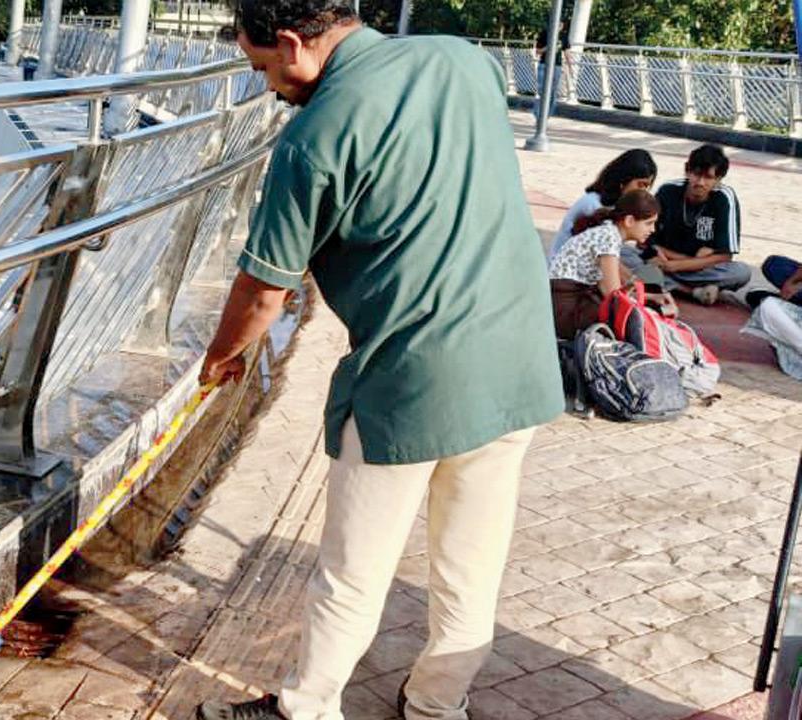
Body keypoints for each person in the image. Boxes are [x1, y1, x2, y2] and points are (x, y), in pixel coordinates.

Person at [194, 2, 563, 719]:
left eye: (264, 67)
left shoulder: (310, 139)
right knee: (470, 564)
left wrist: (220, 358)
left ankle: (306, 710)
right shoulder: (463, 60)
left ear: (295, 43)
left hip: (413, 377)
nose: (269, 87)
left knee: (352, 569)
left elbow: (264, 290)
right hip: (517, 358)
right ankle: (436, 707)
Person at [620, 144, 751, 305]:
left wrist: (676, 265)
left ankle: (664, 284)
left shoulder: (725, 198)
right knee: (622, 253)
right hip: (661, 262)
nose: (700, 182)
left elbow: (725, 255)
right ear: (687, 171)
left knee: (741, 272)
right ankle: (692, 292)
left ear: (718, 179)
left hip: (693, 269)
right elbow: (643, 240)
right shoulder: (668, 191)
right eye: (696, 174)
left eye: (708, 177)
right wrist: (670, 260)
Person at [549, 190, 661, 339]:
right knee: (631, 319)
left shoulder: (609, 232)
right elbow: (612, 293)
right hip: (565, 308)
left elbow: (616, 290)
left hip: (567, 301)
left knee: (636, 311)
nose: (652, 229)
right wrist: (649, 302)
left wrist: (650, 297)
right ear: (629, 221)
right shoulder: (609, 237)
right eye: (649, 223)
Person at [547, 149, 657, 262]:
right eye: (641, 185)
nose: (643, 192)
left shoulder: (615, 204)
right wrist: (632, 279)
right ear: (624, 180)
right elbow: (605, 256)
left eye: (647, 187)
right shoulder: (593, 205)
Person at [533, 27, 565, 121]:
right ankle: (538, 114)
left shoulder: (563, 36)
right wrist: (548, 47)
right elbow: (537, 51)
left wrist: (570, 68)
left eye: (561, 23)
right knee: (542, 90)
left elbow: (567, 52)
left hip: (557, 66)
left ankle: (546, 117)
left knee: (553, 92)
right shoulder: (545, 34)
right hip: (544, 65)